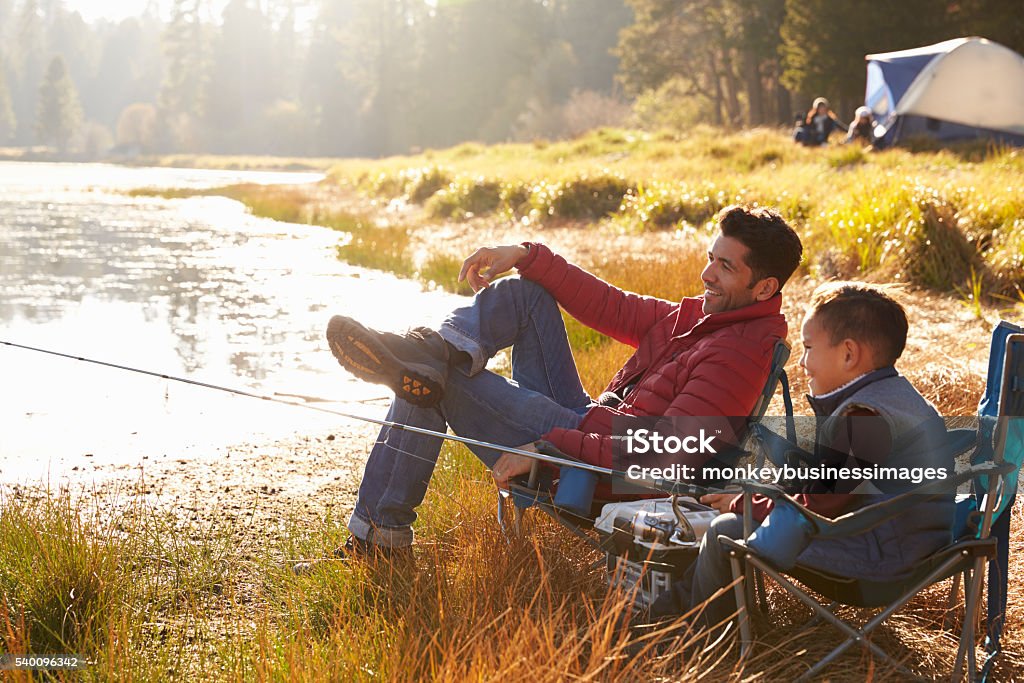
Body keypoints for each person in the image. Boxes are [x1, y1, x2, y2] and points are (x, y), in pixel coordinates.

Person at [316, 205, 804, 562]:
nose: (707, 274)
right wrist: (524, 254)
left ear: (764, 288)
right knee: (525, 296)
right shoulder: (703, 317)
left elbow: (664, 452)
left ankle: (377, 540)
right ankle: (434, 352)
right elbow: (609, 305)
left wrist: (549, 444)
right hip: (592, 422)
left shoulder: (738, 353)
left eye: (725, 266)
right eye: (710, 258)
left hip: (597, 472)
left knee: (435, 382)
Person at [651, 282, 955, 627]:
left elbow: (821, 504)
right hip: (907, 546)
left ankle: (691, 631)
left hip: (881, 563)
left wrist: (745, 503)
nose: (803, 362)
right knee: (742, 515)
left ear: (848, 354)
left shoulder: (865, 416)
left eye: (809, 348)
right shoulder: (894, 396)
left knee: (726, 530)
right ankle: (673, 613)